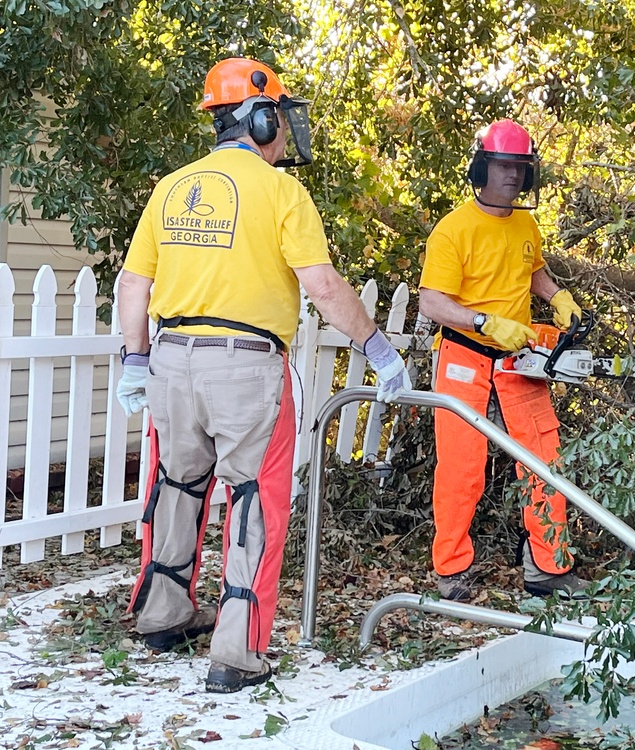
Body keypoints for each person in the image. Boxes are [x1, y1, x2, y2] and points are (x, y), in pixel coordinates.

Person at [115, 57, 411, 693]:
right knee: (255, 499)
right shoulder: (282, 192)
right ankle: (236, 655)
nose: (285, 133)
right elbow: (325, 287)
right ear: (260, 116)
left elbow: (134, 283)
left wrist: (135, 360)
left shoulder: (171, 187)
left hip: (172, 360)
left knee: (177, 485)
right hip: (245, 368)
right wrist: (379, 349)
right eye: (279, 117)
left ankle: (162, 618)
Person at [418, 119, 589, 602]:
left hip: (520, 360)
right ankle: (450, 572)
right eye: (503, 167)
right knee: (460, 469)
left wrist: (558, 296)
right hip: (465, 357)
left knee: (544, 462)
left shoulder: (526, 223)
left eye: (520, 168)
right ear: (482, 167)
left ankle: (548, 566)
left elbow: (533, 270)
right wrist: (482, 323)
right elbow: (431, 301)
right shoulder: (455, 229)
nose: (512, 177)